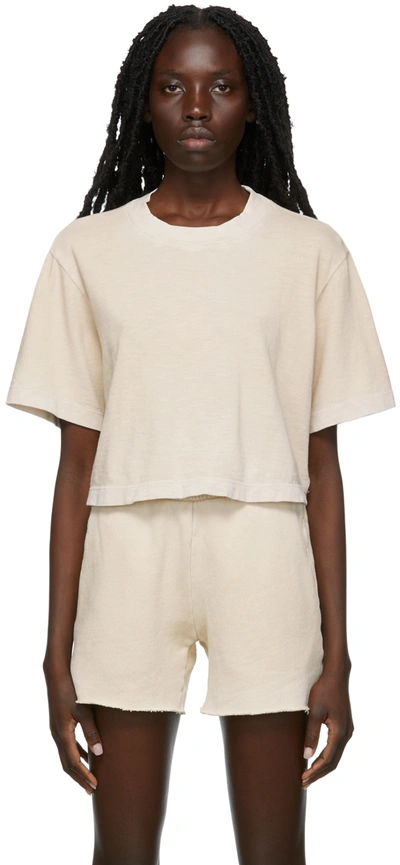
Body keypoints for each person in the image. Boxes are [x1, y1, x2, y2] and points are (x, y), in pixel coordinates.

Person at [5, 4, 396, 864]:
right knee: (122, 850)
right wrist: (55, 656)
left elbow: (322, 465)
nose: (194, 106)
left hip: (264, 546)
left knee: (274, 852)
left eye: (221, 86)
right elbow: (75, 465)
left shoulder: (310, 252)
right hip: (127, 550)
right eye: (171, 86)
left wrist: (339, 656)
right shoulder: (86, 252)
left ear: (253, 105)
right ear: (140, 103)